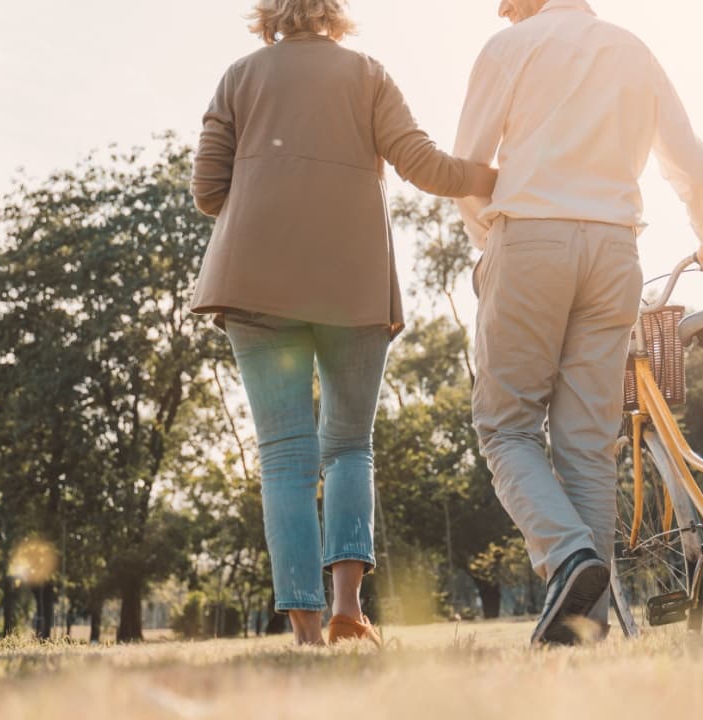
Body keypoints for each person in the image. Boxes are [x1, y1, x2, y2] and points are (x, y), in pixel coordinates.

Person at [190, 0, 496, 647]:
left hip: (255, 285)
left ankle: (303, 630)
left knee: (284, 457)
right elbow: (425, 166)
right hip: (352, 287)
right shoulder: (367, 74)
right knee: (350, 444)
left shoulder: (239, 76)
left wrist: (266, 189)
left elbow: (207, 191)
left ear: (270, 11)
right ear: (334, 10)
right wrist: (496, 177)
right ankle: (348, 612)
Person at [455, 0, 703, 645]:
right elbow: (690, 159)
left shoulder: (512, 48)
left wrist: (488, 245)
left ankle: (567, 556)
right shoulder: (630, 47)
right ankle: (584, 629)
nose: (502, 10)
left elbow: (468, 171)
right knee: (586, 445)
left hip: (529, 240)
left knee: (506, 427)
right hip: (616, 250)